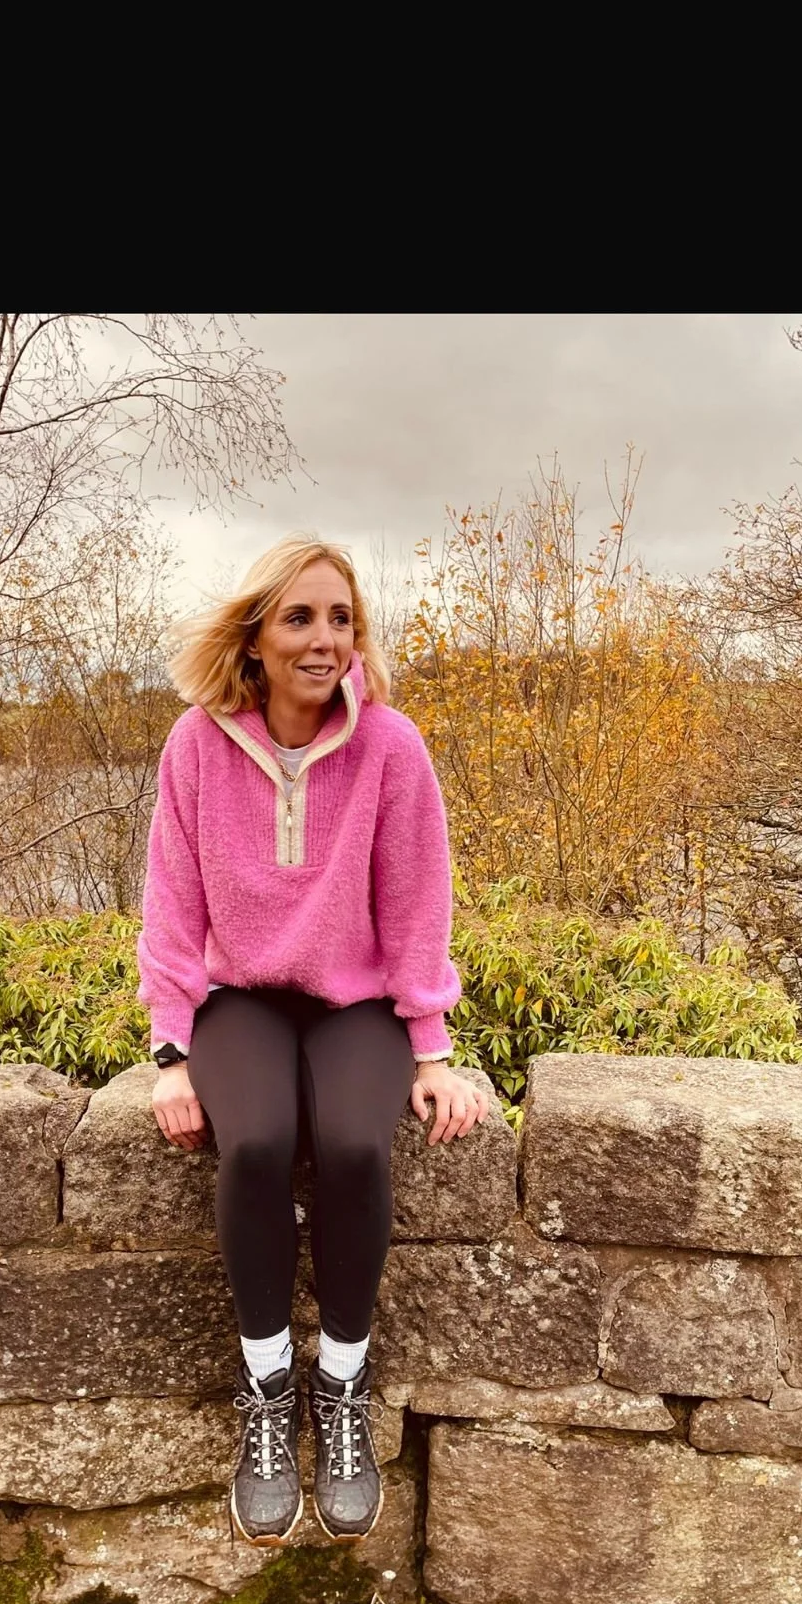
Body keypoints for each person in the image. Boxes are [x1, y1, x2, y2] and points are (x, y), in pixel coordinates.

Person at [136, 535, 489, 1548]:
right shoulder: (196, 744)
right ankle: (265, 1387)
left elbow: (417, 903)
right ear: (255, 636)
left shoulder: (392, 746)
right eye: (300, 617)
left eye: (340, 618)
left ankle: (339, 1386)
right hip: (240, 996)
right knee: (248, 1141)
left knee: (350, 1143)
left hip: (356, 1004)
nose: (324, 637)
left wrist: (429, 1048)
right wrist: (170, 1051)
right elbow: (170, 906)